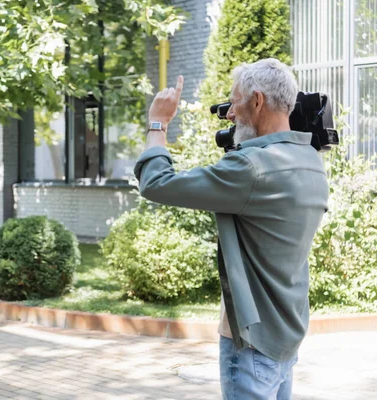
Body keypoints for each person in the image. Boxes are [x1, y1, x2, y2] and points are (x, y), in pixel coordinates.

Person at [135, 58, 328, 399]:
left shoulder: (251, 169)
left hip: (252, 343)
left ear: (257, 101)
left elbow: (156, 183)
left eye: (234, 101)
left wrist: (158, 124)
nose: (228, 113)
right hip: (285, 333)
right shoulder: (309, 159)